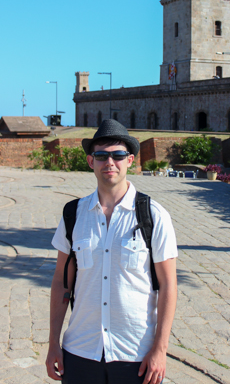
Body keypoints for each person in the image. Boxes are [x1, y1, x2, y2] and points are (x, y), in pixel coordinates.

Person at [46, 119, 178, 384]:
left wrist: (160, 350)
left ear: (130, 160)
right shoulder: (73, 215)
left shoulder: (153, 216)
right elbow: (62, 284)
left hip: (136, 355)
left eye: (117, 155)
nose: (110, 162)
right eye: (101, 155)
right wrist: (52, 344)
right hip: (81, 351)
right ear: (90, 161)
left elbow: (168, 285)